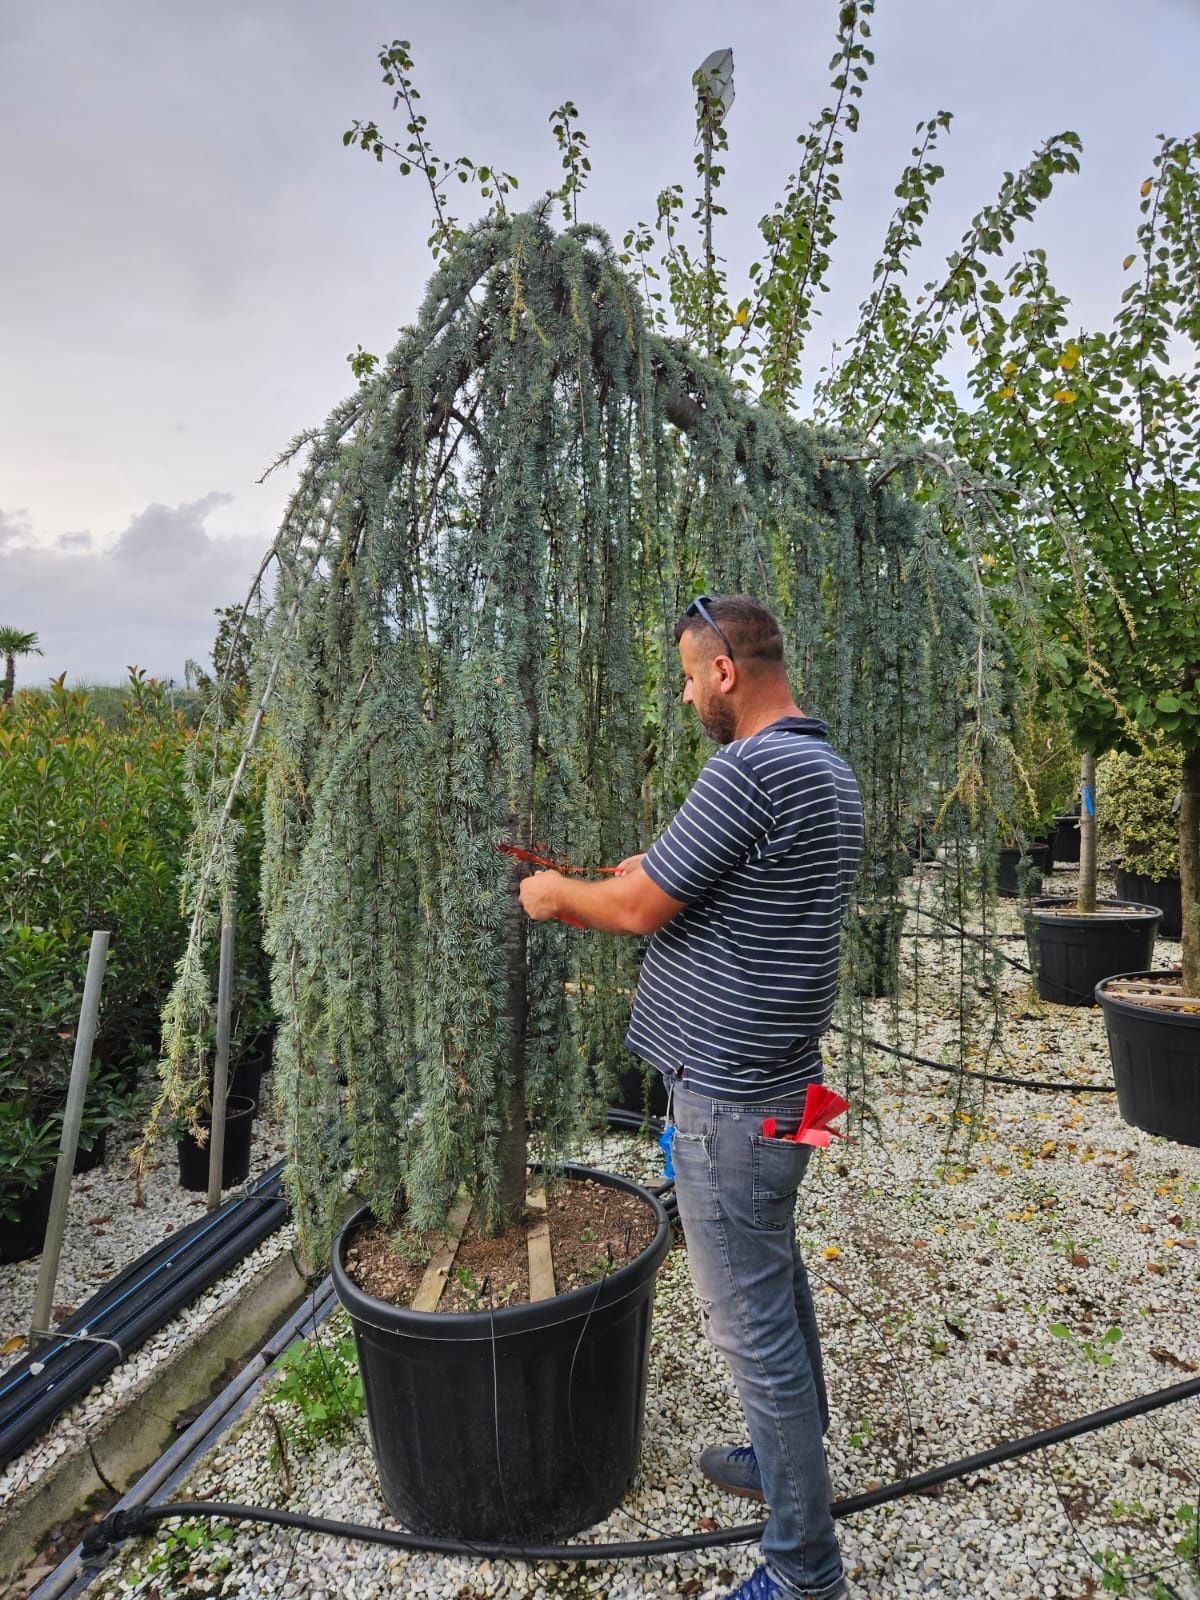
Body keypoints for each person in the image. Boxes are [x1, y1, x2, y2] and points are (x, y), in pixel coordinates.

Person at [519, 593, 863, 1600]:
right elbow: (699, 883)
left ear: (726, 671)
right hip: (796, 1092)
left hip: (732, 1104)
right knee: (776, 1278)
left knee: (749, 1325)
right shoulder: (825, 768)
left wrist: (555, 895)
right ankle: (787, 1452)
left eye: (684, 674)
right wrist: (648, 870)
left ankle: (804, 1567)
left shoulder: (749, 767)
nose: (682, 694)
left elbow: (632, 908)